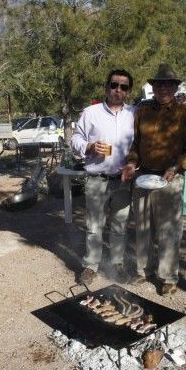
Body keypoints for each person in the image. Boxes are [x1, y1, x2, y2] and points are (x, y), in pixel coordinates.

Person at [121, 64, 186, 296]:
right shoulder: (142, 111)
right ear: (153, 87)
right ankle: (143, 270)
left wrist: (175, 167)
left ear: (175, 87)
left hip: (170, 178)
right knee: (142, 228)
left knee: (168, 230)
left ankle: (167, 276)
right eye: (159, 84)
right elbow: (135, 144)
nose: (163, 88)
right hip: (143, 176)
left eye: (168, 84)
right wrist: (132, 163)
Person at [71, 69, 135, 285]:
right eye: (114, 85)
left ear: (128, 91)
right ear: (107, 87)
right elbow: (75, 140)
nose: (118, 90)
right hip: (97, 179)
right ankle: (91, 265)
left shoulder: (134, 114)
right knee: (94, 226)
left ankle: (117, 264)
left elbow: (140, 145)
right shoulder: (91, 113)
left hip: (122, 180)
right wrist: (89, 146)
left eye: (123, 87)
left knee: (119, 226)